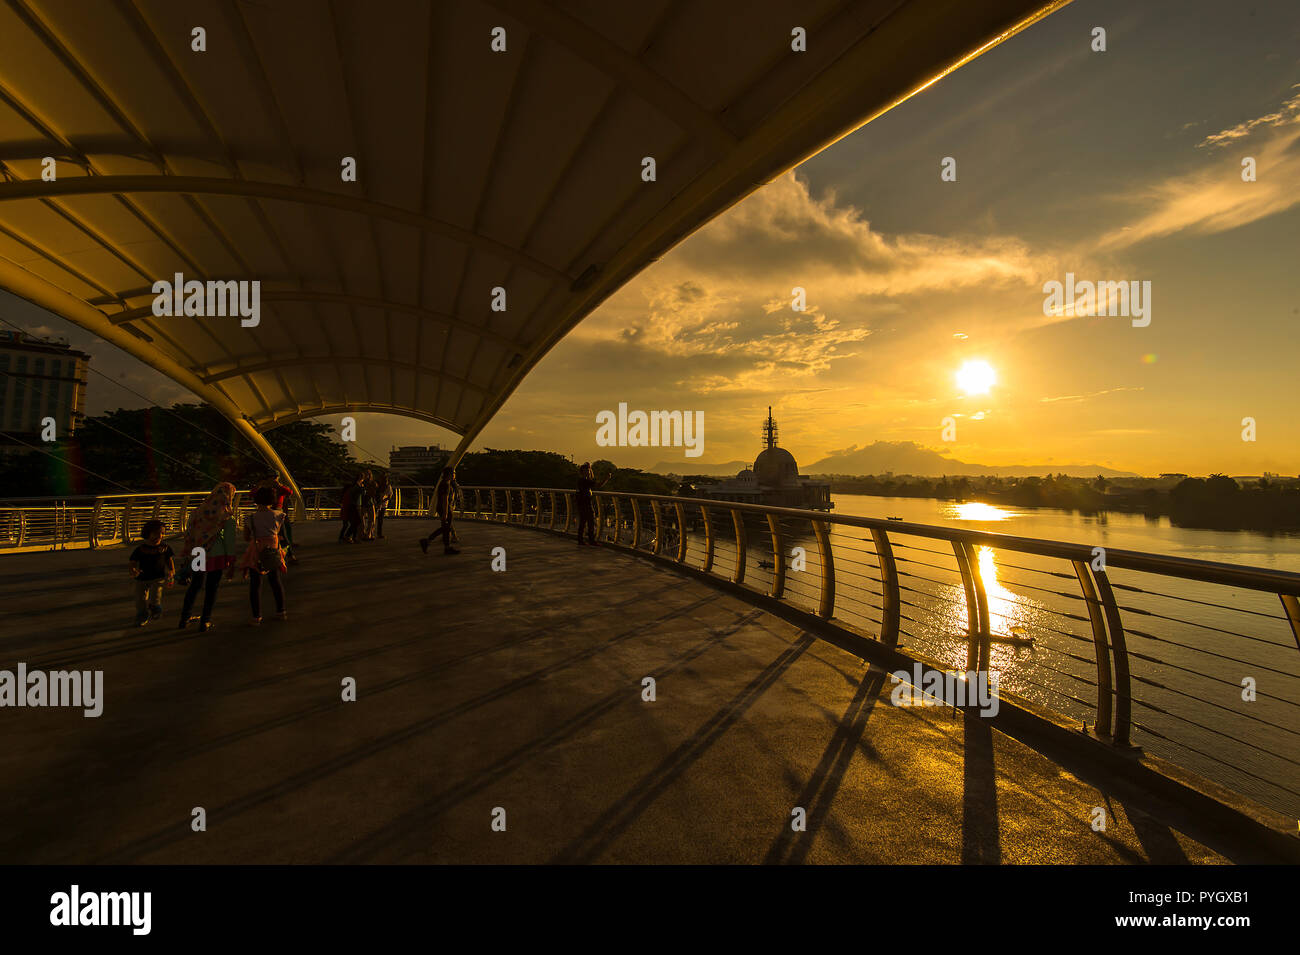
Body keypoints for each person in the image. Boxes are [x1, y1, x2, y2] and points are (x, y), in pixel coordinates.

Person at [178, 482, 237, 631]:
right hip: (216, 555)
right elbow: (228, 541)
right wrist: (231, 561)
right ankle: (205, 621)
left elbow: (190, 532)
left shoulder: (198, 511)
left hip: (198, 553)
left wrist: (187, 552)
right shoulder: (227, 517)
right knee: (212, 588)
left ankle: (184, 618)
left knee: (195, 585)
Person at [239, 486, 288, 625]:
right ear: (272, 500)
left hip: (256, 551)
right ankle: (281, 611)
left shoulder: (251, 518)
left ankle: (256, 617)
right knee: (275, 581)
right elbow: (280, 533)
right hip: (273, 550)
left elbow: (246, 537)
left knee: (255, 584)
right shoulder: (279, 515)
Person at [128, 519, 175, 626]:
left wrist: (172, 571)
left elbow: (169, 560)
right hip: (142, 577)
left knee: (156, 594)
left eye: (162, 533)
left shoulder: (164, 548)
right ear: (147, 533)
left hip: (158, 576)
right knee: (140, 598)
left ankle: (155, 608)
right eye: (156, 533)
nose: (159, 536)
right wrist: (133, 570)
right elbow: (133, 561)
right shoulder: (141, 549)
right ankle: (142, 614)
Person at [419, 466, 460, 555]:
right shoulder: (446, 484)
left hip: (442, 508)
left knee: (446, 529)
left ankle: (446, 547)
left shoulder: (444, 483)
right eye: (453, 473)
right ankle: (427, 541)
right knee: (446, 528)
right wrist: (445, 513)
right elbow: (444, 499)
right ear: (449, 474)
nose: (454, 475)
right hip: (445, 508)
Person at [260, 473, 298, 564]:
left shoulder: (280, 488)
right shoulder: (264, 489)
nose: (273, 480)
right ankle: (279, 555)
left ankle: (289, 554)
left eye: (275, 478)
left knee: (282, 535)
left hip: (277, 513)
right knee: (269, 535)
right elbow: (253, 494)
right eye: (271, 478)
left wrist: (279, 485)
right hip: (267, 513)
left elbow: (289, 492)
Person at [575, 462, 610, 546]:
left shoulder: (581, 480)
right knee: (590, 521)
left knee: (583, 522)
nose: (588, 471)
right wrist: (607, 479)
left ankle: (581, 540)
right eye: (586, 470)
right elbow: (598, 485)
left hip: (582, 503)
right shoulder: (585, 481)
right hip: (586, 503)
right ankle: (591, 540)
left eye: (589, 470)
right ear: (582, 471)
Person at [338, 473, 364, 543]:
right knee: (355, 522)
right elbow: (357, 497)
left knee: (352, 523)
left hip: (349, 506)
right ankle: (348, 536)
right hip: (353, 506)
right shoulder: (357, 487)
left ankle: (350, 537)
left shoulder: (352, 487)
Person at [374, 471, 392, 539]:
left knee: (374, 519)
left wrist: (380, 501)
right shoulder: (387, 486)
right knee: (379, 520)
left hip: (378, 504)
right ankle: (378, 534)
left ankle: (371, 533)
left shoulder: (379, 485)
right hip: (382, 504)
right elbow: (389, 496)